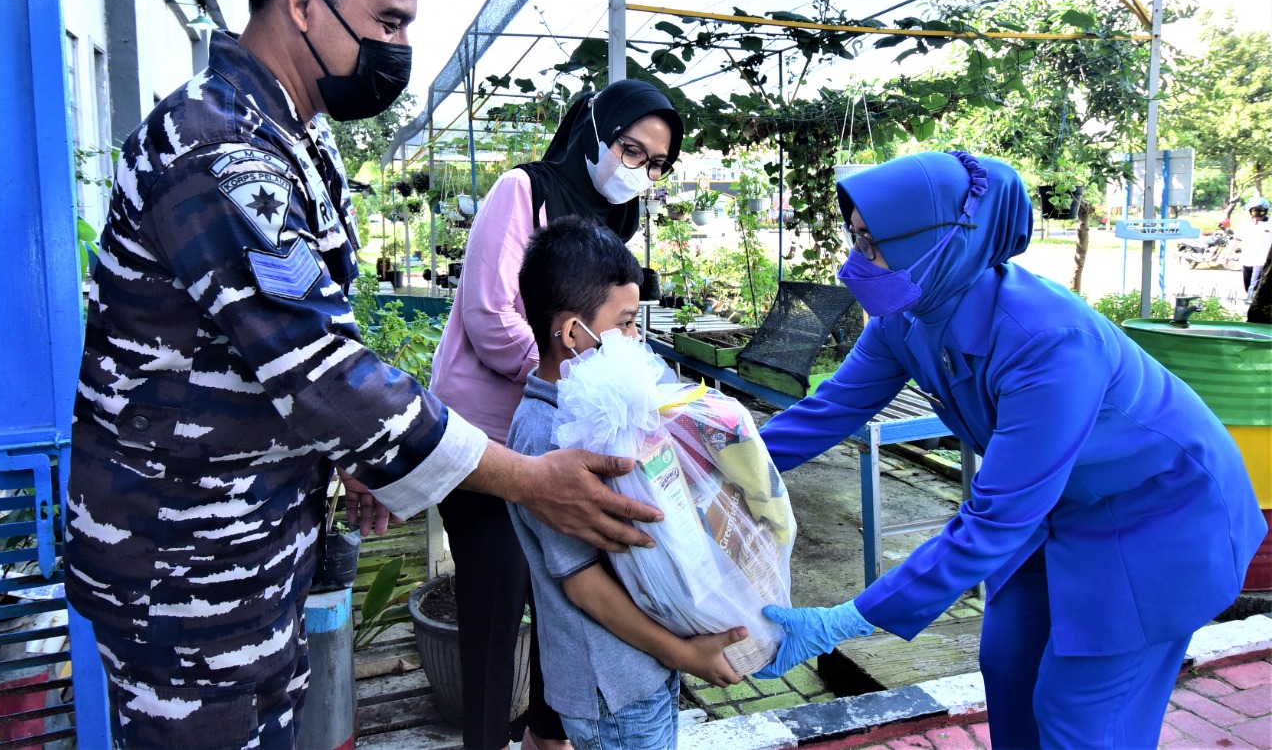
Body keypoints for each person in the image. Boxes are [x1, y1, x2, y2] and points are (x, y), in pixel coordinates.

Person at [64, 0, 660, 749]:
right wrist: (532, 480)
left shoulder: (295, 139)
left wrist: (352, 459)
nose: (400, 50)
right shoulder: (216, 148)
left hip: (254, 545)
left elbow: (309, 338)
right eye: (387, 23)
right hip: (181, 568)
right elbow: (324, 371)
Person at [754, 151, 1266, 749]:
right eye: (857, 239)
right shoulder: (909, 313)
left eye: (874, 244)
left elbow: (996, 516)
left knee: (1080, 711)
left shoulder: (1049, 343)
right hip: (1057, 507)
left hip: (1159, 518)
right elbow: (828, 410)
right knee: (1007, 666)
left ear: (942, 241)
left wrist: (845, 620)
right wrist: (711, 465)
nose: (856, 262)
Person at [429, 79, 683, 750]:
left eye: (656, 163)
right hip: (487, 438)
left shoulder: (613, 226)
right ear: (594, 131)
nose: (641, 171)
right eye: (632, 149)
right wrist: (575, 378)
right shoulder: (525, 191)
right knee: (497, 592)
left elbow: (612, 330)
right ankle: (484, 739)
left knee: (565, 593)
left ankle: (548, 734)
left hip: (563, 439)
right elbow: (489, 315)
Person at [507, 216, 746, 749]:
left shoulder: (597, 409)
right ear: (573, 334)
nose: (638, 340)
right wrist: (681, 654)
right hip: (612, 686)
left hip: (646, 665)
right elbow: (582, 582)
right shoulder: (546, 434)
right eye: (628, 323)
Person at [1237, 198, 1271, 302]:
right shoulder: (1245, 224)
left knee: (1254, 285)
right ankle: (1251, 301)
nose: (1257, 213)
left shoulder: (1270, 224)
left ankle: (1250, 304)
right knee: (1247, 286)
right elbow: (1237, 239)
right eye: (1254, 210)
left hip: (1262, 261)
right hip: (1247, 260)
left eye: (1261, 210)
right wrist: (1226, 256)